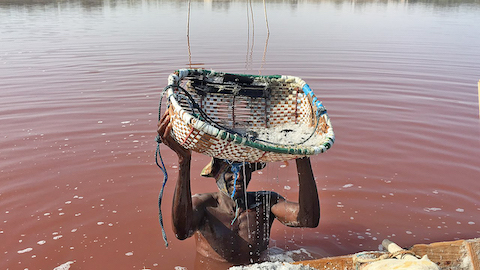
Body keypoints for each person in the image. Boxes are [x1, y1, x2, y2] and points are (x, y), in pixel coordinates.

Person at [157, 111, 320, 269]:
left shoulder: (265, 203)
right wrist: (184, 161)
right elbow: (181, 232)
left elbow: (308, 219)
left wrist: (302, 157)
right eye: (229, 170)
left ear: (251, 172)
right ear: (215, 173)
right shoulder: (203, 206)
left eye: (244, 169)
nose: (239, 177)